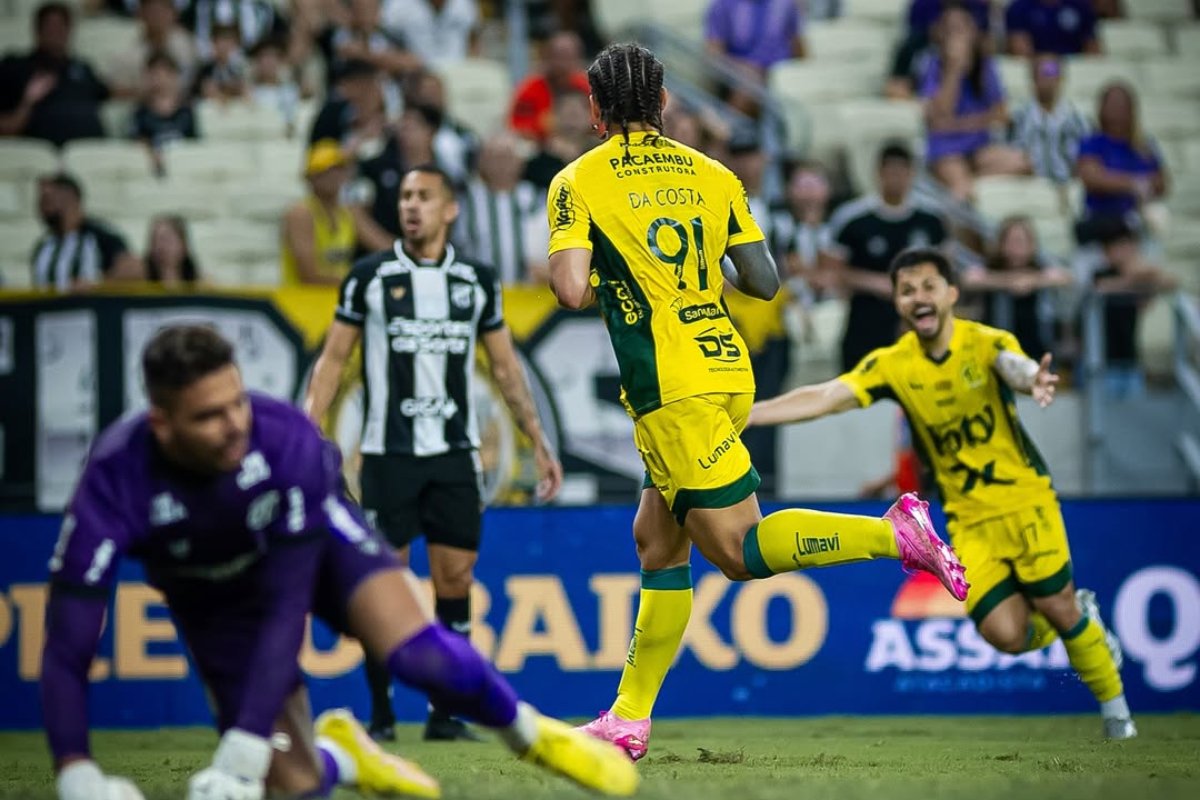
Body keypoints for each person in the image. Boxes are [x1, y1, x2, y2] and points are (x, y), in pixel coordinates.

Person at [545, 43, 968, 761]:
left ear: (593, 109)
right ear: (665, 104)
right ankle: (628, 717)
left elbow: (569, 290)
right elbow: (764, 280)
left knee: (740, 552)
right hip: (724, 361)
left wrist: (619, 273)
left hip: (672, 386)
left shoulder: (576, 181)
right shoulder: (714, 173)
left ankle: (895, 532)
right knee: (657, 537)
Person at [43, 325, 639, 800]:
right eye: (208, 416)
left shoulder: (284, 440)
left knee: (421, 657)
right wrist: (75, 769)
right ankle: (343, 756)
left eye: (236, 403)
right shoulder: (113, 479)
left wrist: (248, 739)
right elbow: (68, 643)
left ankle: (531, 734)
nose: (233, 427)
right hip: (210, 597)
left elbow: (287, 605)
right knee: (294, 784)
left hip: (312, 551)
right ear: (161, 423)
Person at [748, 246, 1137, 741]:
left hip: (1025, 501)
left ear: (952, 293)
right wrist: (754, 412)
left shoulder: (983, 341)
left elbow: (1012, 364)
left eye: (928, 287)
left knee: (1056, 605)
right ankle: (1082, 619)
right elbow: (827, 395)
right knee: (1004, 634)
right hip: (968, 519)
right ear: (897, 303)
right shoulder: (893, 364)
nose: (918, 298)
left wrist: (1031, 378)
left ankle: (1117, 718)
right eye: (907, 291)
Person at [305, 164, 565, 742]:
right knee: (383, 584)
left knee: (456, 578)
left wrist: (539, 443)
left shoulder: (475, 280)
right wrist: (305, 428)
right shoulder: (368, 277)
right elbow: (332, 361)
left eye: (424, 196)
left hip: (454, 456)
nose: (411, 206)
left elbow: (505, 368)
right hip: (388, 455)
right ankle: (380, 716)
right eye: (405, 196)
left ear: (449, 210)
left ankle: (446, 715)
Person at [824, 142, 948, 372]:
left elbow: (944, 268)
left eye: (902, 172)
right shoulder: (853, 219)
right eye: (890, 172)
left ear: (911, 174)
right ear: (879, 173)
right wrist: (877, 283)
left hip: (918, 312)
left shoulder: (930, 219)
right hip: (866, 313)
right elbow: (832, 272)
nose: (896, 179)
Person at [921, 2, 1026, 203]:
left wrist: (956, 125)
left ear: (973, 32)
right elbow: (940, 115)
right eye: (951, 29)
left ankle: (970, 179)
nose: (956, 35)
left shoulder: (986, 66)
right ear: (941, 34)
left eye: (961, 28)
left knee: (1023, 163)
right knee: (963, 190)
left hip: (979, 147)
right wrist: (955, 70)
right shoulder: (933, 64)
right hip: (946, 150)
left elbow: (1002, 115)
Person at [282, 139, 394, 285]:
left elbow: (386, 247)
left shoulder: (349, 212)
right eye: (325, 171)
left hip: (334, 299)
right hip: (299, 302)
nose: (333, 176)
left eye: (339, 169)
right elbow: (309, 275)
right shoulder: (301, 214)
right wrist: (361, 281)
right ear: (311, 177)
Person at [0, 2, 110, 146]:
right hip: (38, 152)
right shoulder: (16, 66)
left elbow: (109, 91)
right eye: (49, 27)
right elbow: (6, 126)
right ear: (37, 30)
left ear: (69, 30)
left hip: (89, 150)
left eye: (61, 26)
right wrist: (28, 101)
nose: (55, 33)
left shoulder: (83, 68)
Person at [962, 216, 1072, 359]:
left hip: (1036, 348)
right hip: (996, 350)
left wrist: (1032, 281)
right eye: (1011, 241)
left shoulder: (1039, 266)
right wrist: (1009, 281)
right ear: (1001, 243)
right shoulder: (992, 266)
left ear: (1032, 243)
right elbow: (969, 279)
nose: (1016, 246)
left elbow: (1064, 277)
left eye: (1021, 241)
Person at [1091, 219, 1178, 399]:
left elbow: (1170, 282)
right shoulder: (1101, 273)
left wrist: (1141, 276)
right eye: (1118, 246)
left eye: (1128, 245)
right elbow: (1102, 286)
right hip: (1104, 362)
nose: (1124, 251)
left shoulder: (1141, 277)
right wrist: (1135, 279)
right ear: (1106, 251)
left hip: (1132, 360)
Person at [1076, 83, 1169, 244]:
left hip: (1138, 222)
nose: (1117, 110)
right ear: (1101, 108)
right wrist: (1136, 183)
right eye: (1112, 104)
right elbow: (1092, 178)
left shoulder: (1145, 145)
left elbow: (1162, 183)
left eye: (1122, 104)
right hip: (1102, 222)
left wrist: (1117, 180)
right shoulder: (1092, 142)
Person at [458, 131, 549, 285]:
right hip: (482, 290)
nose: (501, 164)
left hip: (530, 296)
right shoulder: (467, 200)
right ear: (481, 161)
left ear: (520, 161)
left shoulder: (537, 198)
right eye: (494, 157)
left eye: (507, 156)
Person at [31, 173, 142, 292]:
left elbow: (135, 269)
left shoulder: (98, 236)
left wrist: (96, 284)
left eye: (47, 199)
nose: (42, 207)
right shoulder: (44, 246)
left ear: (69, 197)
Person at [1008, 54, 1091, 185]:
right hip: (1028, 188)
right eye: (1044, 73)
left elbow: (1086, 159)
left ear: (1061, 78)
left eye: (1053, 73)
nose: (1049, 79)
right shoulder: (1017, 118)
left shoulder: (1077, 119)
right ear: (1033, 79)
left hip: (1069, 187)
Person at [509, 30, 591, 143]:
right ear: (547, 57)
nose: (563, 63)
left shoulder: (587, 85)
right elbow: (518, 126)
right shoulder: (530, 88)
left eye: (569, 57)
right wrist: (549, 127)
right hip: (541, 145)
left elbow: (602, 123)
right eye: (559, 56)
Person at [129, 52, 199, 175]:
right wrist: (150, 153)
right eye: (154, 74)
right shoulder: (141, 112)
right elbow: (136, 141)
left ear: (174, 75)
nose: (160, 79)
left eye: (164, 73)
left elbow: (195, 143)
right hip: (154, 169)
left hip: (185, 167)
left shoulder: (187, 111)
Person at [381, 0, 480, 69]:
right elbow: (384, 41)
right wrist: (403, 61)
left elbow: (474, 37)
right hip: (418, 74)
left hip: (458, 71)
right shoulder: (399, 5)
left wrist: (471, 64)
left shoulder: (465, 3)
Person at [1006, 0, 1100, 58]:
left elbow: (1092, 48)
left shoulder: (1081, 6)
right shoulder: (1019, 7)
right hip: (1038, 65)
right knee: (1047, 72)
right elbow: (1020, 50)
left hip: (1075, 64)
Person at [145, 214, 203, 286]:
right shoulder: (138, 284)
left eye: (166, 239)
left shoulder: (202, 284)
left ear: (183, 245)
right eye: (155, 240)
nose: (160, 246)